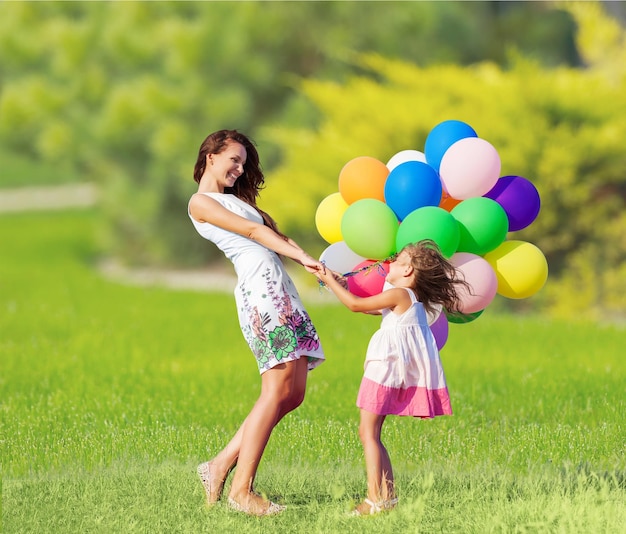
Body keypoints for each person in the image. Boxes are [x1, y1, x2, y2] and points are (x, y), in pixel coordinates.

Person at [188, 129, 326, 516]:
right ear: (210, 155)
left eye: (244, 163)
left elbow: (271, 234)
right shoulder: (200, 202)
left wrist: (313, 264)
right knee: (276, 387)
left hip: (279, 288)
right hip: (261, 292)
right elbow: (252, 232)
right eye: (234, 159)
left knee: (292, 393)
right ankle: (241, 491)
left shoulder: (236, 200)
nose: (239, 168)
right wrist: (301, 258)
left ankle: (218, 466)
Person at [315, 240, 469, 515]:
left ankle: (375, 499)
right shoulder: (407, 298)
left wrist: (328, 277)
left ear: (408, 271)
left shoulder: (400, 294)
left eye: (398, 261)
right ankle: (387, 498)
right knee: (371, 433)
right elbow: (373, 308)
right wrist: (341, 284)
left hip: (384, 370)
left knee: (368, 433)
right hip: (389, 370)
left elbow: (355, 306)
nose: (391, 262)